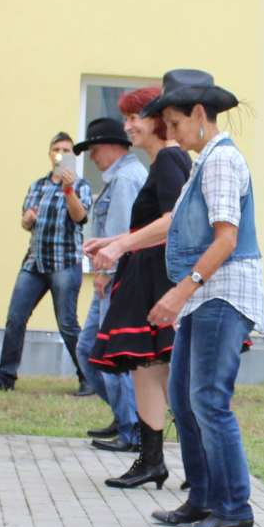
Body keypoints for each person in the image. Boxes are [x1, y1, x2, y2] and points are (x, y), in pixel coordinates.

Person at [118, 70, 263, 527]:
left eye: (177, 124)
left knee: (208, 400)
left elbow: (227, 238)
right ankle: (202, 498)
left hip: (223, 293)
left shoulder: (221, 161)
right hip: (203, 297)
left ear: (200, 114)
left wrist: (182, 290)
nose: (173, 135)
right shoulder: (203, 163)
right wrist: (119, 244)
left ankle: (234, 508)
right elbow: (174, 222)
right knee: (183, 397)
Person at [88, 87, 193, 491]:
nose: (127, 126)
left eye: (134, 117)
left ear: (156, 120)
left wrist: (120, 246)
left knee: (164, 374)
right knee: (148, 370)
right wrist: (114, 240)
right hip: (147, 275)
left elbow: (174, 220)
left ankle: (195, 463)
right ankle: (153, 460)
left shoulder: (168, 158)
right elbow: (155, 225)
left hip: (158, 277)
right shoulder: (162, 161)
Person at [0, 131, 92, 392]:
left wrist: (68, 190)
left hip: (64, 263)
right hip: (34, 264)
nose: (61, 154)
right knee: (15, 318)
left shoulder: (81, 186)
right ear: (50, 154)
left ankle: (88, 378)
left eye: (67, 150)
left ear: (73, 156)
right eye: (57, 150)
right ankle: (5, 377)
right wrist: (27, 219)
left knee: (67, 324)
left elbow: (80, 217)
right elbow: (26, 222)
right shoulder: (37, 186)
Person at [74, 116, 147, 450]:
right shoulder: (119, 177)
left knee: (111, 353)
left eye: (94, 148)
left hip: (116, 278)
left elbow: (121, 232)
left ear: (114, 146)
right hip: (111, 278)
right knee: (88, 349)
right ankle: (123, 416)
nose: (92, 156)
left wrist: (104, 273)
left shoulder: (126, 179)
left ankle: (133, 429)